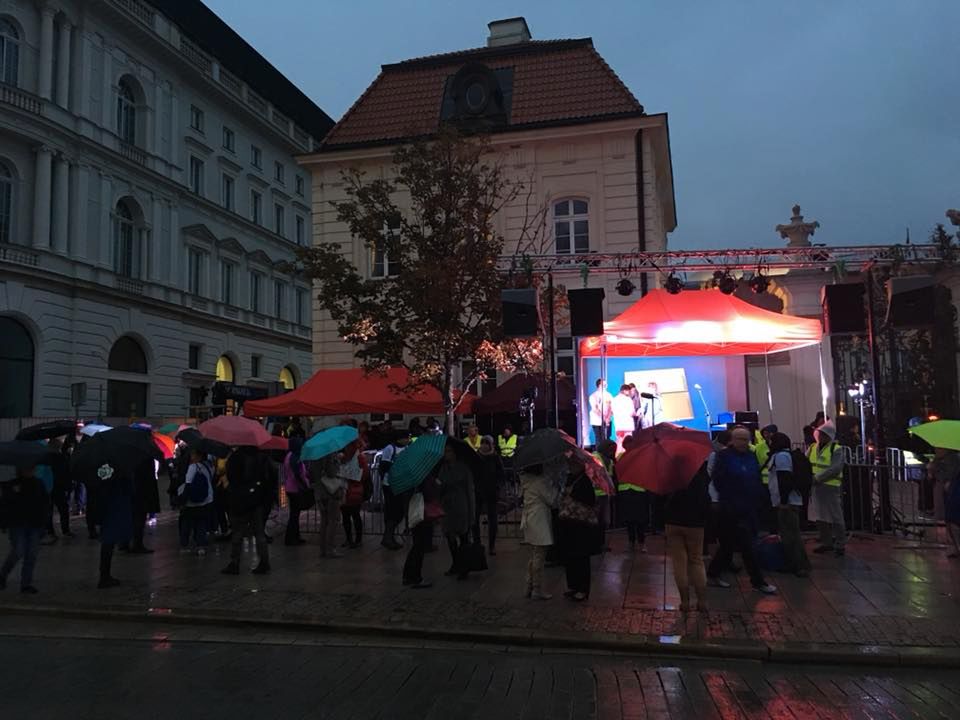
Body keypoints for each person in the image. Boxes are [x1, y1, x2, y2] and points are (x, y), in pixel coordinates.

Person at [706, 426, 777, 594]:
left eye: (746, 439)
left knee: (730, 545)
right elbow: (718, 479)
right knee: (746, 545)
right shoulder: (724, 456)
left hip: (748, 507)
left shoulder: (750, 456)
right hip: (731, 508)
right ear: (733, 440)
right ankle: (757, 581)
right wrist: (729, 498)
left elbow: (755, 477)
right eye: (740, 439)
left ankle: (713, 573)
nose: (743, 442)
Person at [664, 461, 710, 612]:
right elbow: (706, 501)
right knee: (696, 560)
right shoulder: (700, 477)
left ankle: (685, 602)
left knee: (679, 562)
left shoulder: (671, 476)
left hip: (673, 522)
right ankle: (702, 601)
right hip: (695, 523)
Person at [0, 463, 49, 594]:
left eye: (31, 468)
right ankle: (3, 574)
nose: (29, 471)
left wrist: (44, 523)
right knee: (18, 550)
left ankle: (26, 583)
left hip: (34, 523)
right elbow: (5, 504)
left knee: (31, 554)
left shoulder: (38, 484)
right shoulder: (12, 485)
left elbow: (44, 503)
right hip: (18, 523)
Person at [557, 452, 600, 601]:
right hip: (569, 523)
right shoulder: (569, 478)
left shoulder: (585, 481)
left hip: (580, 525)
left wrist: (572, 496)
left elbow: (589, 500)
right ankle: (573, 585)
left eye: (573, 464)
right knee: (570, 556)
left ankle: (582, 588)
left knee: (581, 556)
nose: (571, 467)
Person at [221, 446, 270, 576]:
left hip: (239, 499)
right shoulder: (261, 457)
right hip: (257, 499)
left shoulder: (235, 457)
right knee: (259, 532)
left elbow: (231, 477)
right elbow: (267, 477)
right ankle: (264, 561)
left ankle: (235, 563)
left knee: (238, 532)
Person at [767, 432, 811, 577]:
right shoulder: (785, 456)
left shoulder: (781, 457)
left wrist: (783, 501)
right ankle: (799, 564)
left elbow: (784, 479)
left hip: (787, 503)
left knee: (790, 534)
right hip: (790, 501)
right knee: (791, 533)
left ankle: (797, 565)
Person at [808, 423, 846, 557]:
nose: (821, 436)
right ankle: (826, 542)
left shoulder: (836, 449)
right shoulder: (813, 447)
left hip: (830, 486)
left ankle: (840, 544)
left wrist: (817, 478)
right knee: (820, 515)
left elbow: (835, 468)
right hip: (816, 486)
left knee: (835, 515)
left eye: (823, 434)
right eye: (820, 434)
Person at [439, 444, 475, 580]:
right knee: (450, 536)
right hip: (447, 506)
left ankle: (463, 567)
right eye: (445, 451)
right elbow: (440, 486)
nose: (446, 454)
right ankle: (455, 563)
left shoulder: (464, 469)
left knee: (463, 536)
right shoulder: (443, 468)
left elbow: (470, 490)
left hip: (461, 505)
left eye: (449, 451)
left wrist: (472, 513)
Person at [521, 464, 555, 600]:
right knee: (539, 556)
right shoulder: (540, 482)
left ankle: (529, 586)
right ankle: (537, 588)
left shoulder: (526, 481)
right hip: (540, 520)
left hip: (530, 519)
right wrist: (555, 488)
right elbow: (551, 500)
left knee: (534, 555)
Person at [402, 472, 442, 589]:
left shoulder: (411, 477)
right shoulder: (423, 476)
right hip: (422, 513)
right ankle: (415, 577)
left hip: (414, 512)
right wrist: (436, 484)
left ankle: (408, 575)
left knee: (417, 546)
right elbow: (430, 493)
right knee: (419, 546)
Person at [177, 448, 214, 555]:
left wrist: (182, 500)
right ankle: (200, 546)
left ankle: (184, 545)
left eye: (193, 454)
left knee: (187, 524)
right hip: (206, 500)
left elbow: (188, 484)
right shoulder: (208, 466)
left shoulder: (192, 467)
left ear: (199, 456)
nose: (191, 456)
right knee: (201, 524)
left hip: (192, 502)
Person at [616, 435, 649, 552]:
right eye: (627, 444)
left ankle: (641, 543)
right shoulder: (620, 456)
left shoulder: (641, 456)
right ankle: (631, 542)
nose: (629, 446)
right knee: (629, 519)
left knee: (640, 519)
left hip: (638, 491)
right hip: (626, 490)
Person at [379, 431, 410, 550]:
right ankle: (388, 537)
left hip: (401, 483)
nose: (408, 440)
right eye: (406, 438)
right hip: (390, 484)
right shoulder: (390, 448)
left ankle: (389, 536)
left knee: (399, 511)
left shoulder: (407, 448)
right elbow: (384, 466)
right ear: (399, 439)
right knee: (392, 511)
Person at [473, 435, 503, 555]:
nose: (484, 445)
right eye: (483, 443)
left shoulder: (495, 457)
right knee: (475, 519)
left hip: (492, 492)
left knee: (493, 519)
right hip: (478, 491)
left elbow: (501, 473)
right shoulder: (476, 457)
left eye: (487, 443)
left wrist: (497, 486)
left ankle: (492, 545)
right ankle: (477, 543)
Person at [312, 452, 344, 559]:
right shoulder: (329, 454)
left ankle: (323, 549)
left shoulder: (315, 455)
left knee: (324, 521)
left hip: (320, 492)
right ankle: (330, 549)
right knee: (333, 521)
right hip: (330, 492)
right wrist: (337, 461)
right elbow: (331, 472)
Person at [280, 437, 309, 546]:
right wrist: (304, 484)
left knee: (294, 514)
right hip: (295, 488)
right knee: (294, 515)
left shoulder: (289, 455)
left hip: (290, 487)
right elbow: (297, 474)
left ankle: (295, 536)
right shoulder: (295, 457)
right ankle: (290, 538)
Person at [339, 440, 368, 549]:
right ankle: (351, 539)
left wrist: (352, 476)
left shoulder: (359, 457)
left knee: (353, 515)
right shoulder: (343, 457)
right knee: (347, 516)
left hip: (353, 489)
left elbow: (364, 474)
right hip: (347, 490)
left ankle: (355, 539)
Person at [591, 440, 616, 552]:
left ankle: (601, 544)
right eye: (611, 450)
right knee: (596, 521)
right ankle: (596, 544)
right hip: (596, 495)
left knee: (603, 521)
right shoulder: (595, 457)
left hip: (605, 495)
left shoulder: (609, 461)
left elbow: (609, 477)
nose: (613, 452)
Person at [611, 384, 637, 454]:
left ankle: (619, 456)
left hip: (619, 425)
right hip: (627, 425)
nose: (629, 393)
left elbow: (612, 411)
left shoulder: (614, 399)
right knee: (628, 443)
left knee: (619, 442)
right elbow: (632, 412)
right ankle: (628, 457)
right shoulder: (628, 399)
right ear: (625, 391)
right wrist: (636, 414)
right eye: (628, 391)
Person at [588, 379, 613, 443]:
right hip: (597, 421)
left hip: (607, 421)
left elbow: (611, 407)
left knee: (607, 437)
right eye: (604, 384)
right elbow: (595, 409)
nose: (605, 386)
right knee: (599, 438)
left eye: (606, 384)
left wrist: (608, 418)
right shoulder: (593, 396)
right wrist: (604, 418)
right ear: (599, 385)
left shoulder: (609, 395)